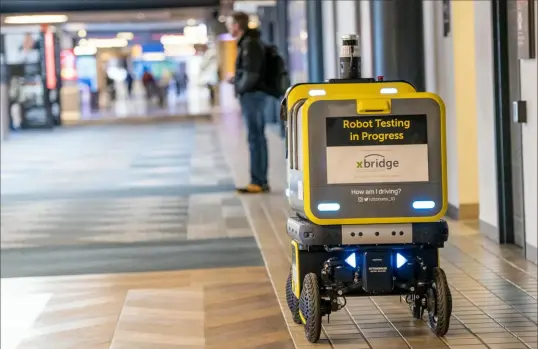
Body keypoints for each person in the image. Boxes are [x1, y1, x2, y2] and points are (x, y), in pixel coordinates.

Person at [229, 11, 270, 194]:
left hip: (253, 95)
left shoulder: (249, 44)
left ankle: (258, 181)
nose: (229, 28)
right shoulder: (249, 42)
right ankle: (259, 180)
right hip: (254, 93)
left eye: (230, 24)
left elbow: (252, 73)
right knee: (256, 137)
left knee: (255, 138)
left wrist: (240, 86)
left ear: (237, 26)